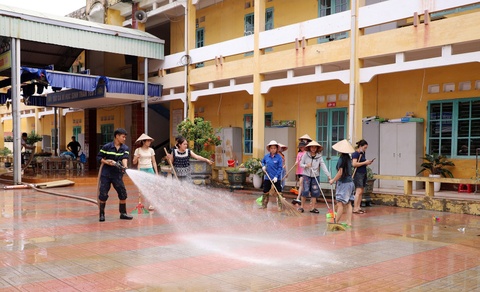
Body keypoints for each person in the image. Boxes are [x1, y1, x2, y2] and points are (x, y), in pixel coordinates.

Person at [96, 128, 133, 222]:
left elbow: (125, 158)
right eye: (123, 137)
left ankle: (123, 213)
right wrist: (106, 162)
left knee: (123, 193)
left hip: (117, 174)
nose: (124, 139)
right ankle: (102, 215)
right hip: (106, 174)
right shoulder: (107, 147)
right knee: (103, 194)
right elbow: (98, 157)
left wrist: (124, 166)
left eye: (125, 137)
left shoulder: (125, 148)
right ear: (117, 136)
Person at [329, 139, 356, 228]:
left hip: (344, 183)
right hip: (350, 183)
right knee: (348, 203)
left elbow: (340, 173)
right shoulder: (348, 158)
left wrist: (333, 180)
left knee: (340, 203)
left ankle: (336, 222)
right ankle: (349, 222)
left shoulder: (341, 159)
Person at [299, 140, 331, 213]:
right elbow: (301, 164)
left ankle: (312, 208)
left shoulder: (319, 157)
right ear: (309, 148)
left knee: (315, 192)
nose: (313, 149)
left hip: (315, 176)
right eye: (312, 147)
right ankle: (301, 207)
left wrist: (328, 175)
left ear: (317, 148)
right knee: (305, 191)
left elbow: (323, 166)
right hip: (306, 175)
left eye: (315, 147)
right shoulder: (305, 155)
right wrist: (306, 165)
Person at [260, 140, 284, 211]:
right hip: (268, 177)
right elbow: (262, 162)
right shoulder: (266, 156)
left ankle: (280, 206)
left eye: (274, 148)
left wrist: (276, 176)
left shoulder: (279, 157)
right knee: (265, 191)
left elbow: (280, 168)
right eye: (271, 148)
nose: (273, 149)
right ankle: (264, 205)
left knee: (279, 191)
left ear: (276, 149)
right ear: (269, 149)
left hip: (276, 178)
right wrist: (263, 166)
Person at [352, 139, 373, 214]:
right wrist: (364, 162)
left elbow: (362, 162)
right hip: (358, 174)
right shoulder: (356, 154)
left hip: (363, 173)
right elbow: (354, 164)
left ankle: (358, 207)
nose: (365, 149)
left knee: (361, 191)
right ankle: (355, 208)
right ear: (360, 146)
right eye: (364, 147)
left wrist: (367, 163)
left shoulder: (362, 153)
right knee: (358, 191)